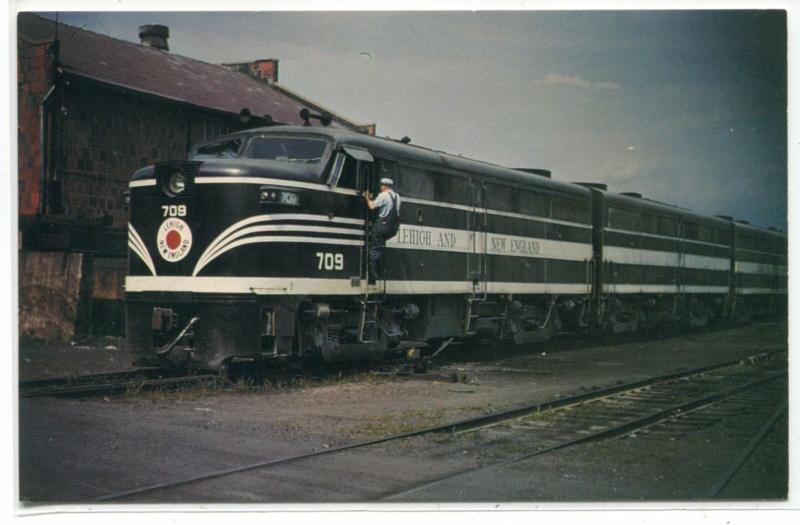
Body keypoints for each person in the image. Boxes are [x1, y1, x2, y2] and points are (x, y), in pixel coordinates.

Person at [364, 177, 401, 284]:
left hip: (382, 226)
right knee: (380, 247)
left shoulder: (383, 195)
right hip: (392, 228)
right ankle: (380, 270)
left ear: (384, 186)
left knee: (374, 249)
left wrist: (367, 198)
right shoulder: (397, 197)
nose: (380, 187)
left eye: (381, 185)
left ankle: (373, 276)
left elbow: (371, 206)